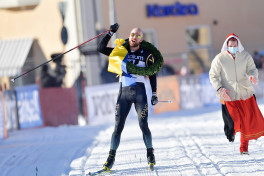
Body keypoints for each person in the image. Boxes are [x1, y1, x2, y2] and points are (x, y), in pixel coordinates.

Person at [97, 23, 159, 170]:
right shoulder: (120, 51)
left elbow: (152, 74)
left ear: (141, 40)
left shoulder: (146, 54)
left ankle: (150, 154)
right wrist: (110, 33)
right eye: (132, 34)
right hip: (123, 92)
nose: (134, 37)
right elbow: (100, 49)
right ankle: (110, 160)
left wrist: (154, 93)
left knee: (143, 125)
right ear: (129, 36)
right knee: (118, 127)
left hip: (139, 92)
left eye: (138, 36)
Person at [209, 33, 264, 155]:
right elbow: (213, 75)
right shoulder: (220, 58)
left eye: (235, 45)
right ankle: (231, 132)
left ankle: (244, 148)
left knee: (246, 122)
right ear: (227, 45)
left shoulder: (245, 56)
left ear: (238, 44)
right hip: (228, 94)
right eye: (230, 45)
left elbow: (252, 69)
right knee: (235, 119)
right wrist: (219, 88)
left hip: (245, 93)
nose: (233, 47)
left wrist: (253, 76)